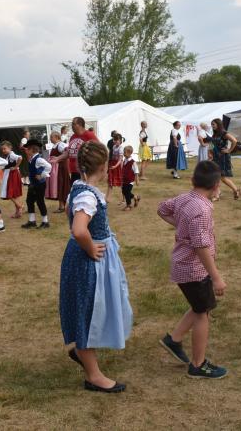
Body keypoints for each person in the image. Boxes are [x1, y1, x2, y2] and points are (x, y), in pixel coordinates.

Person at [60, 141, 132, 393]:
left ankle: (84, 354)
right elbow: (79, 229)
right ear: (103, 167)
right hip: (87, 262)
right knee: (88, 311)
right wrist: (91, 247)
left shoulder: (79, 188)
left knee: (91, 309)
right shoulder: (88, 196)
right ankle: (93, 375)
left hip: (85, 258)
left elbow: (70, 210)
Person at [157, 160, 228, 379]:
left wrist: (180, 226)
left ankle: (174, 339)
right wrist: (216, 277)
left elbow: (162, 209)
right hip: (194, 270)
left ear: (192, 180)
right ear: (216, 185)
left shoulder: (184, 198)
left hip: (184, 267)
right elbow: (200, 246)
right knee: (202, 314)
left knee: (200, 307)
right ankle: (198, 364)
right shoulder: (201, 210)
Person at [54, 116, 99, 184]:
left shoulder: (89, 135)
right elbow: (68, 152)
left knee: (84, 192)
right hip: (74, 171)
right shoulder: (73, 137)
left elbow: (99, 149)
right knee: (75, 191)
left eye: (73, 124)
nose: (72, 126)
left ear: (80, 125)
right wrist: (57, 158)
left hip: (85, 171)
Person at [21, 139, 53, 229]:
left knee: (40, 202)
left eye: (27, 149)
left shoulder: (38, 159)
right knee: (29, 201)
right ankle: (32, 221)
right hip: (33, 184)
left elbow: (49, 166)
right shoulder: (32, 159)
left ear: (32, 150)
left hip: (39, 184)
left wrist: (42, 175)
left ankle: (45, 222)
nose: (26, 151)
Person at [209, 118, 241, 200]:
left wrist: (229, 150)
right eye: (211, 124)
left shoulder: (224, 133)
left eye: (213, 124)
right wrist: (210, 153)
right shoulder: (215, 134)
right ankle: (217, 194)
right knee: (216, 176)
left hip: (223, 157)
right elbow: (213, 145)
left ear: (218, 124)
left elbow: (234, 140)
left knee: (222, 177)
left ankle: (234, 190)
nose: (212, 126)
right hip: (216, 156)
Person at [0, 141, 25, 219]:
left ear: (10, 148)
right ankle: (18, 212)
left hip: (12, 175)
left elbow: (20, 158)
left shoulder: (12, 155)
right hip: (9, 174)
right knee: (14, 194)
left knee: (9, 193)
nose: (3, 150)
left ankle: (20, 206)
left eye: (5, 149)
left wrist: (16, 167)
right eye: (2, 149)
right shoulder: (7, 156)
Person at [46, 131, 70, 213]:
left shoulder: (61, 145)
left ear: (56, 137)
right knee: (59, 186)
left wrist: (58, 159)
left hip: (60, 168)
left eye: (51, 137)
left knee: (61, 186)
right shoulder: (55, 145)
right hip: (56, 169)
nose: (50, 139)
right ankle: (62, 205)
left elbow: (67, 153)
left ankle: (62, 206)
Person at [120, 145, 140, 211]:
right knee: (124, 191)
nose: (123, 154)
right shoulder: (124, 161)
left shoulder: (133, 162)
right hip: (124, 180)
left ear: (129, 153)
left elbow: (136, 171)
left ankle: (129, 205)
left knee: (127, 192)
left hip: (130, 181)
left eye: (124, 152)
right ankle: (136, 197)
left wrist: (137, 180)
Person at [107, 132, 124, 203]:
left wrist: (115, 166)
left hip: (118, 167)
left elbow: (120, 160)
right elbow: (111, 156)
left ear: (120, 140)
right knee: (110, 182)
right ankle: (107, 198)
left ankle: (124, 198)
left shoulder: (121, 148)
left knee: (121, 183)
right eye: (114, 140)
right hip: (112, 165)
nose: (115, 141)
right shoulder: (114, 147)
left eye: (117, 140)